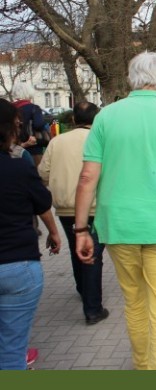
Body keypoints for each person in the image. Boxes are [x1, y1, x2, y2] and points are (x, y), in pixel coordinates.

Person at [74, 51, 156, 370]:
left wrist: (80, 229)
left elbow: (87, 177)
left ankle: (143, 368)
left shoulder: (106, 116)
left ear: (131, 78)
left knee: (134, 304)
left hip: (119, 228)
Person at [0, 99, 61, 370]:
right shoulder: (18, 166)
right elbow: (43, 203)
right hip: (18, 264)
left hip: (17, 264)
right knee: (13, 349)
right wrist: (53, 232)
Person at [38, 102, 109, 325]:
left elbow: (43, 173)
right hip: (96, 206)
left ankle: (83, 289)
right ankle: (93, 308)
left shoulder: (56, 142)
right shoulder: (101, 140)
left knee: (76, 249)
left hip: (66, 207)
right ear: (96, 119)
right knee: (93, 254)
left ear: (72, 120)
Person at [11, 83, 49, 166]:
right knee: (35, 174)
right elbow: (38, 125)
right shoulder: (34, 108)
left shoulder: (9, 108)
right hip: (33, 148)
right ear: (29, 93)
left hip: (13, 148)